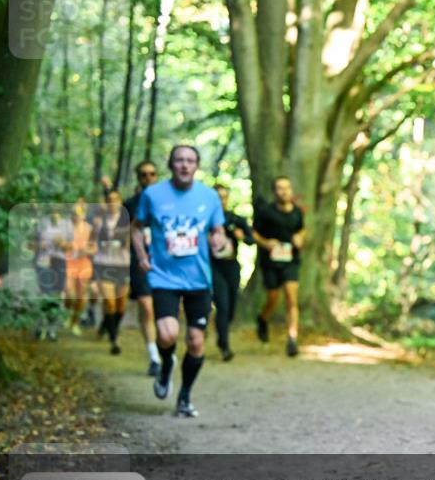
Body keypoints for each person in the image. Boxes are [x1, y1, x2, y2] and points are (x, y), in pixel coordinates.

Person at [131, 145, 226, 418]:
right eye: (179, 160)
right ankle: (165, 366)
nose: (184, 165)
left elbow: (217, 230)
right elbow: (136, 228)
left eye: (190, 161)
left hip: (199, 280)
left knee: (196, 342)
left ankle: (184, 397)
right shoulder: (153, 194)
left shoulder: (209, 197)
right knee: (167, 334)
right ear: (170, 165)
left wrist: (218, 240)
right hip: (164, 277)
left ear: (197, 165)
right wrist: (142, 256)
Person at [253, 176, 305, 357]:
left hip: (291, 261)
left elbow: (302, 229)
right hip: (271, 262)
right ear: (274, 192)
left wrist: (300, 237)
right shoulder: (266, 212)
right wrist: (266, 242)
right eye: (280, 188)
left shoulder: (297, 212)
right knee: (273, 298)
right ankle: (263, 319)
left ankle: (292, 338)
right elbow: (254, 232)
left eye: (287, 188)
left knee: (291, 298)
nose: (284, 191)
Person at [125, 162, 161, 375]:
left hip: (164, 263)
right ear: (138, 177)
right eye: (143, 174)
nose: (148, 177)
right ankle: (154, 356)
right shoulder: (130, 204)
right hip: (139, 263)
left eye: (152, 174)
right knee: (146, 306)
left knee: (161, 310)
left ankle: (165, 349)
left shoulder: (167, 202)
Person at [211, 183, 254, 361]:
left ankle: (221, 334)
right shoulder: (205, 221)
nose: (221, 201)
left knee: (230, 307)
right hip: (213, 267)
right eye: (217, 197)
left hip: (231, 265)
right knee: (222, 304)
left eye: (224, 197)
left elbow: (251, 239)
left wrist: (241, 236)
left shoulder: (236, 219)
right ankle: (226, 347)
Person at [93, 186, 132, 355]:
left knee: (120, 306)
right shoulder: (98, 221)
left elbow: (134, 243)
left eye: (116, 200)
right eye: (109, 200)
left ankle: (107, 325)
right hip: (104, 263)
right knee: (109, 302)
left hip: (122, 265)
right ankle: (114, 339)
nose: (112, 203)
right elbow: (90, 243)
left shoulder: (128, 220)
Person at [33, 208, 71, 341]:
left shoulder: (67, 224)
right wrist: (39, 245)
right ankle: (39, 325)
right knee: (45, 294)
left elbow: (71, 247)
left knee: (56, 296)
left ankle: (51, 329)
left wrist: (63, 244)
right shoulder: (41, 222)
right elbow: (29, 244)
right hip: (43, 261)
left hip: (59, 262)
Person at [62, 199, 96, 335]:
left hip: (84, 265)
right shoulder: (64, 227)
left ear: (84, 214)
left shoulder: (89, 229)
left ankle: (74, 322)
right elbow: (59, 243)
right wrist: (67, 246)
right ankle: (67, 313)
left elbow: (94, 248)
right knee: (69, 294)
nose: (76, 215)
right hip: (67, 264)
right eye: (74, 213)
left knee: (81, 297)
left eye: (80, 213)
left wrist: (86, 251)